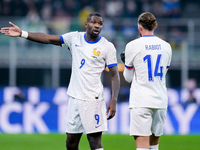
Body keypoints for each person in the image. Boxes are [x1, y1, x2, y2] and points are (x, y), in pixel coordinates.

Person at [0, 12, 120, 150]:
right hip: (74, 98)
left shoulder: (107, 46)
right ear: (86, 24)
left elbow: (114, 75)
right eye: (94, 22)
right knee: (71, 142)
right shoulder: (74, 38)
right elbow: (48, 38)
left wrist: (114, 99)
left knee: (94, 141)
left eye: (100, 23)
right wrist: (23, 33)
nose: (97, 26)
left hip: (93, 99)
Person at [121, 12, 172, 150]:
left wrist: (126, 62)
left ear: (139, 27)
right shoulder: (166, 46)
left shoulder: (132, 45)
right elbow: (164, 72)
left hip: (141, 101)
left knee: (142, 147)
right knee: (154, 146)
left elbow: (128, 77)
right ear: (155, 25)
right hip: (160, 100)